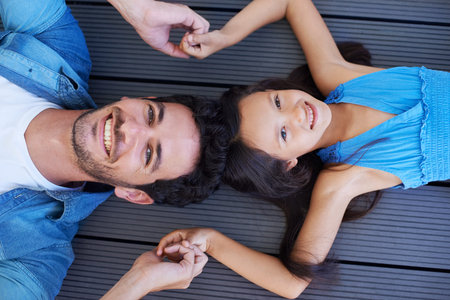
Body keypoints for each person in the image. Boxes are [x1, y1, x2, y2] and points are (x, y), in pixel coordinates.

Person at [157, 0, 450, 298]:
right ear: (287, 164)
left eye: (278, 102)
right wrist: (211, 240)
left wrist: (226, 36)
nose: (297, 114)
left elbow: (290, 2)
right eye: (283, 134)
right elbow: (290, 283)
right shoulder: (341, 180)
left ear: (272, 89)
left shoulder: (340, 78)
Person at [0, 0, 225, 298]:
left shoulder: (37, 252)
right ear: (140, 98)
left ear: (134, 193)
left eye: (148, 154)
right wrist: (135, 6)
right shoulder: (56, 50)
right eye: (150, 114)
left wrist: (138, 282)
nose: (129, 129)